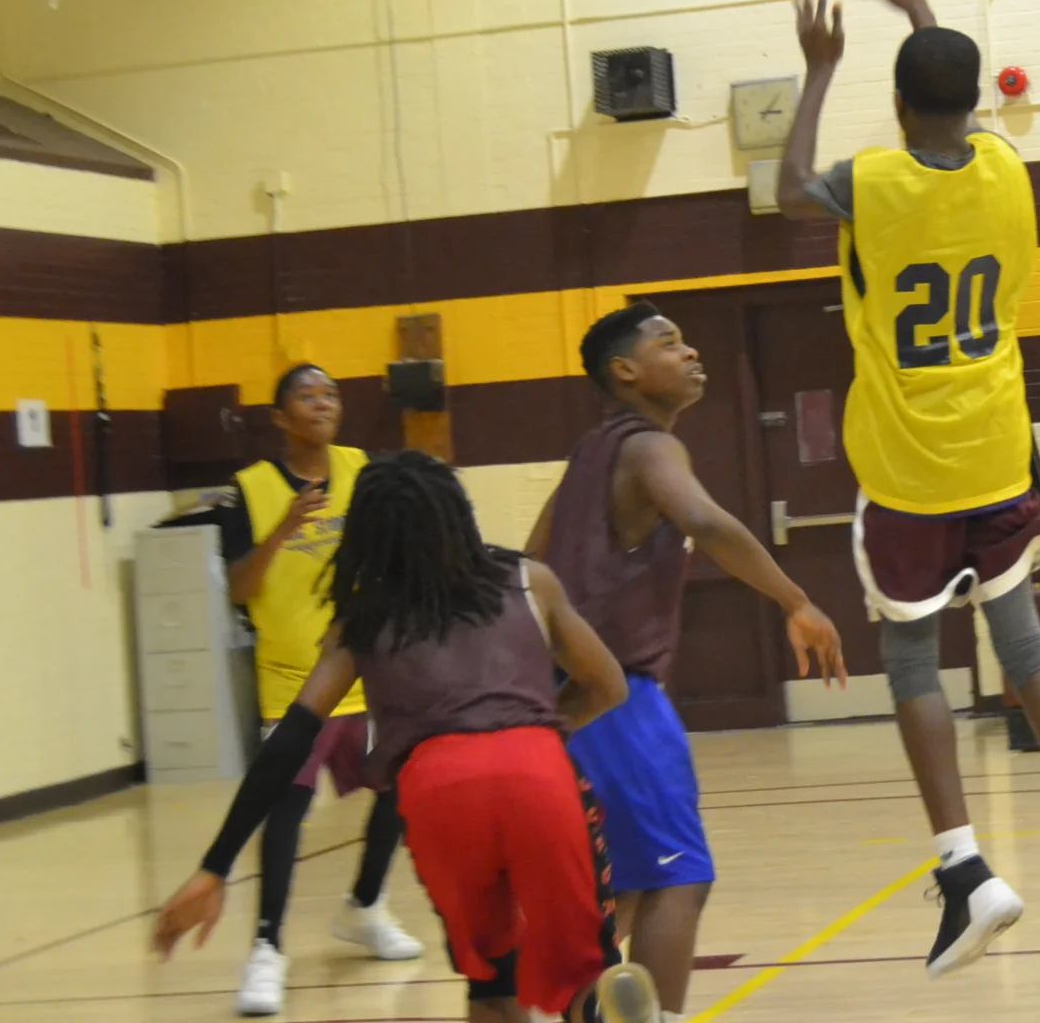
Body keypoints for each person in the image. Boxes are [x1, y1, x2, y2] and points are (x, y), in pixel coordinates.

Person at [778, 0, 1040, 977]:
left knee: (912, 661)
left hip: (911, 469)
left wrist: (818, 69)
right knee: (1024, 646)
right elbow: (952, 102)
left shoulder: (871, 184)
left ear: (897, 106)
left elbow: (788, 187)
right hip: (997, 454)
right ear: (973, 100)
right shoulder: (1007, 170)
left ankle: (966, 871)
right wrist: (917, 7)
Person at [153, 451, 661, 1023]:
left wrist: (215, 865)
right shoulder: (527, 581)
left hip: (437, 791)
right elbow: (607, 685)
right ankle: (598, 1008)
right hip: (538, 772)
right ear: (457, 513)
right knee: (584, 974)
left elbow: (290, 742)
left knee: (492, 984)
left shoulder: (363, 620)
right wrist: (532, 732)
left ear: (369, 533)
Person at [524, 304, 851, 1023]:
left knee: (628, 886)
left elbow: (528, 559)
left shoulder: (589, 454)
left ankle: (581, 1009)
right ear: (625, 370)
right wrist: (796, 600)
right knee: (679, 877)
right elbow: (703, 520)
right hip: (615, 695)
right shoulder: (649, 446)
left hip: (558, 693)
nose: (692, 352)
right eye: (670, 343)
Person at [210, 363, 422, 1016]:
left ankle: (365, 906)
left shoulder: (366, 472)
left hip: (364, 670)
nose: (323, 403)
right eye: (307, 395)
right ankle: (267, 947)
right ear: (280, 417)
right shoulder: (247, 490)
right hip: (292, 683)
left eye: (330, 394)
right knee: (286, 814)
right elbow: (239, 589)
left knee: (402, 788)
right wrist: (284, 530)